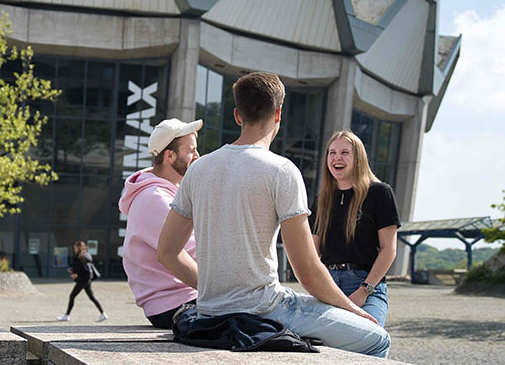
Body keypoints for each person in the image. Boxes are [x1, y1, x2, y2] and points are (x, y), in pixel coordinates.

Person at [157, 72, 391, 358]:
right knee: (377, 339)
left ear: (237, 115)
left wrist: (216, 290)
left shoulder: (199, 169)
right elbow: (307, 272)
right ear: (278, 113)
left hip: (209, 312)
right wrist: (352, 309)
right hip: (267, 308)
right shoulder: (281, 170)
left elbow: (167, 251)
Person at [311, 131, 400, 327]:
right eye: (332, 153)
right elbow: (312, 251)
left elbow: (389, 250)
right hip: (329, 283)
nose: (337, 158)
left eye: (345, 152)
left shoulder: (379, 193)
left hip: (366, 283)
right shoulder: (321, 200)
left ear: (358, 158)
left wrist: (364, 290)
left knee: (371, 336)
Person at [119, 118, 201, 329]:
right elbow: (194, 253)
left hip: (175, 301)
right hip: (176, 304)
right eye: (191, 150)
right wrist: (225, 291)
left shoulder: (160, 192)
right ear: (170, 155)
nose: (197, 156)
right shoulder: (156, 198)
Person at [57, 241, 107, 322]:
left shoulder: (81, 257)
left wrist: (77, 275)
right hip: (86, 280)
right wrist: (74, 271)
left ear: (79, 248)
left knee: (72, 296)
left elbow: (86, 270)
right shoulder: (84, 256)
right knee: (92, 297)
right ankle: (103, 314)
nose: (74, 249)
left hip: (83, 280)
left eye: (75, 247)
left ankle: (66, 315)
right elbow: (81, 269)